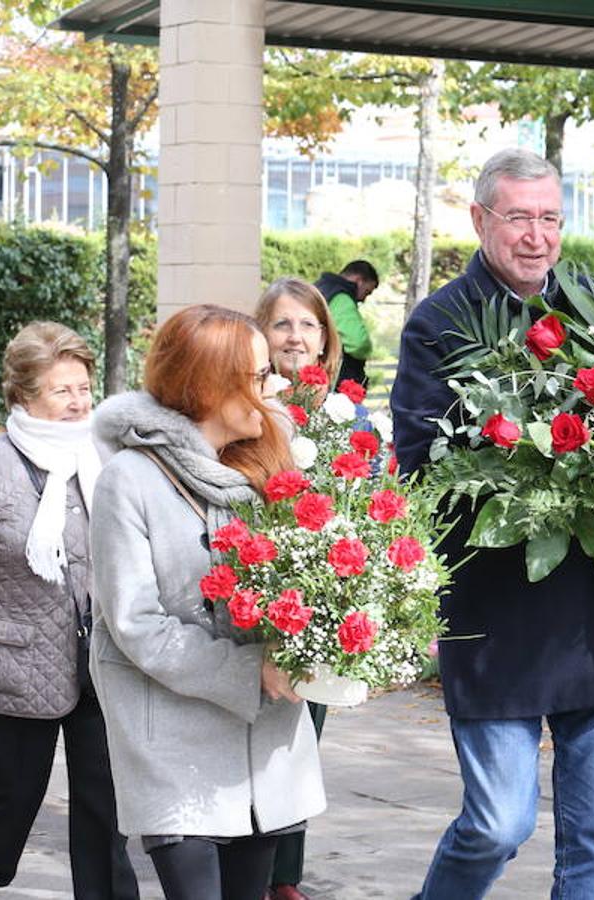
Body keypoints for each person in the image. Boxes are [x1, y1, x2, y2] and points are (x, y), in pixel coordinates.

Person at [392, 148, 594, 900]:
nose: (537, 236)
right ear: (480, 220)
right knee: (499, 824)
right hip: (498, 612)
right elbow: (421, 465)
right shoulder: (439, 324)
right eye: (520, 217)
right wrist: (574, 504)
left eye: (550, 218)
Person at [89, 304, 326, 900]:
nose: (274, 386)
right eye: (257, 375)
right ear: (207, 385)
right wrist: (252, 671)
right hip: (173, 743)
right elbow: (135, 622)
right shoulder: (130, 479)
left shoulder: (272, 463)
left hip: (263, 745)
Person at [0, 322, 139, 900]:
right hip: (14, 674)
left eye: (83, 387)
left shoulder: (109, 457)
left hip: (102, 664)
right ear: (24, 396)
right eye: (61, 391)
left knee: (107, 818)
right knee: (1, 814)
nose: (79, 402)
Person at [253, 278, 342, 900]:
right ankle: (249, 868)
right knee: (260, 740)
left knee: (305, 737)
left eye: (307, 325)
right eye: (283, 324)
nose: (295, 336)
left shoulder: (345, 413)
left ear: (324, 339)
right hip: (258, 589)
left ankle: (284, 875)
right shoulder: (243, 409)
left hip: (326, 597)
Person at [314, 261, 377, 391]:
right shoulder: (341, 298)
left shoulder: (318, 289)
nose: (363, 299)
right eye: (366, 292)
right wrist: (368, 350)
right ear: (358, 280)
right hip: (337, 384)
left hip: (316, 377)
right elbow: (358, 343)